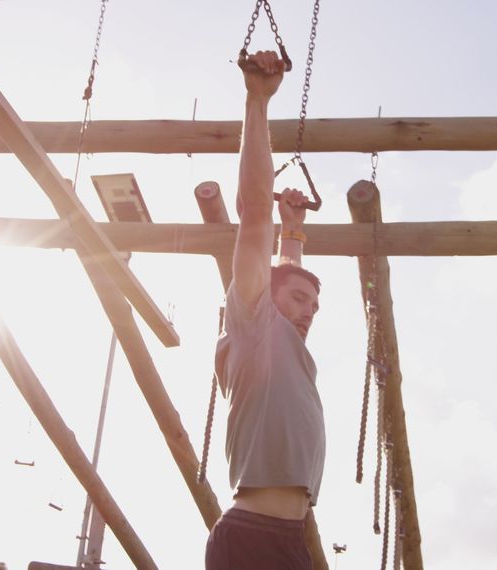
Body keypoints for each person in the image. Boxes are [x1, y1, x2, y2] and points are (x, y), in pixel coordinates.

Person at [204, 49, 325, 570]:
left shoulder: (282, 345)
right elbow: (254, 212)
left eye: (315, 306)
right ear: (265, 299)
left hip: (288, 539)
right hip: (254, 538)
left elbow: (285, 278)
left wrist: (294, 229)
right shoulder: (254, 329)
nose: (309, 312)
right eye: (299, 301)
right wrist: (257, 102)